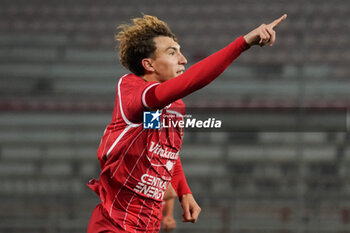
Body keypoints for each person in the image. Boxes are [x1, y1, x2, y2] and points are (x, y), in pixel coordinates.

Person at [87, 14, 287, 233]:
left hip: (148, 226)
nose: (183, 59)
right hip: (114, 225)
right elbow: (191, 81)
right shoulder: (132, 93)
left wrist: (184, 192)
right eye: (172, 52)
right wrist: (243, 43)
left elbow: (161, 149)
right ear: (148, 64)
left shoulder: (169, 108)